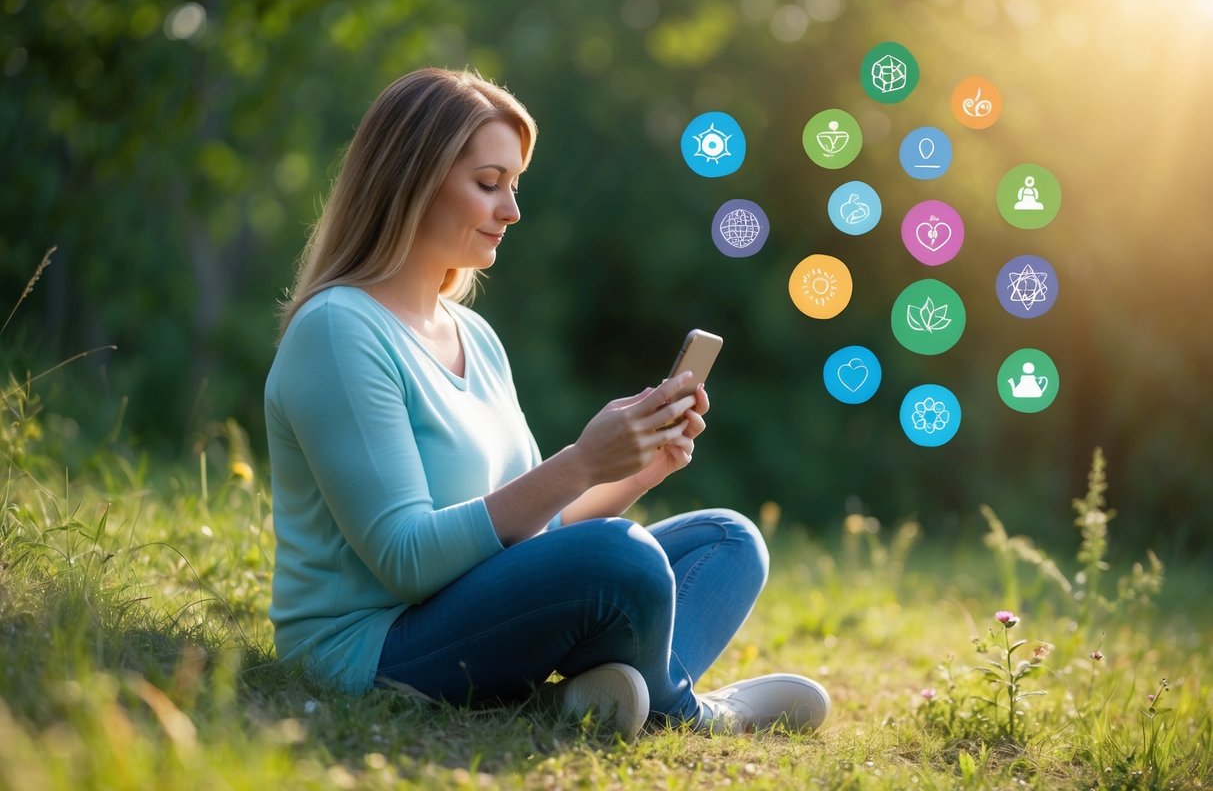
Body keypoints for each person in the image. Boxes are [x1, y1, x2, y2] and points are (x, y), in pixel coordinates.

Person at [264, 67, 830, 739]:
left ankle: (598, 697)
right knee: (619, 560)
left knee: (726, 540)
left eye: (513, 186)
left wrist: (637, 469)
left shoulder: (473, 334)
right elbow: (405, 560)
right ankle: (686, 711)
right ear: (410, 181)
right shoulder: (339, 329)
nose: (511, 210)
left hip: (477, 612)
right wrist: (582, 462)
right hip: (375, 647)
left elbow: (537, 532)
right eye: (487, 183)